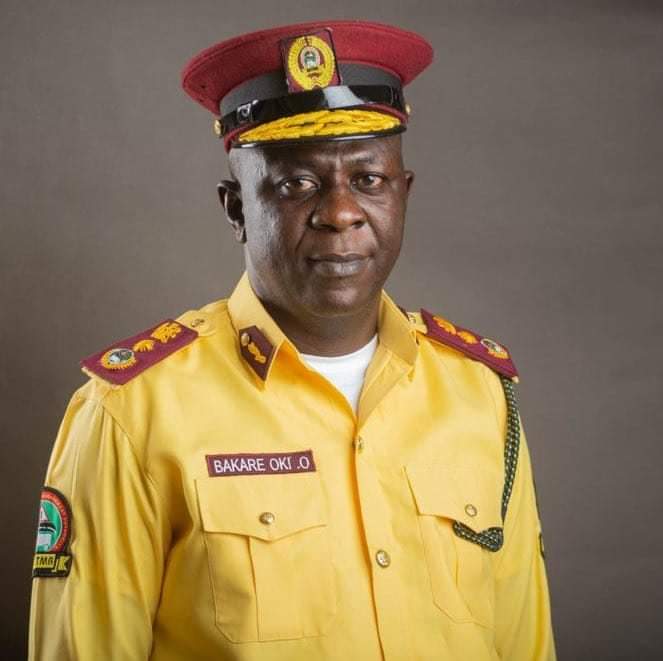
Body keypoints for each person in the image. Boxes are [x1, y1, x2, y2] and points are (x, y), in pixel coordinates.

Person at [29, 20, 556, 661]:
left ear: (404, 195)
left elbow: (526, 643)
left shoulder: (480, 396)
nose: (340, 212)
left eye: (369, 179)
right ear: (236, 210)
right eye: (296, 184)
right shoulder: (131, 414)